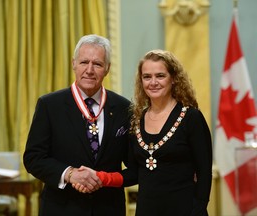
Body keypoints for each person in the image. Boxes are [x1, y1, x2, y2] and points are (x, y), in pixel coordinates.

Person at [75, 49, 213, 216]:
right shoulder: (136, 120)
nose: (153, 82)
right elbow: (134, 173)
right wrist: (99, 177)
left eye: (160, 76)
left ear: (174, 79)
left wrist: (198, 210)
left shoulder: (191, 118)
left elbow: (204, 172)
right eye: (147, 77)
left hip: (185, 210)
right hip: (146, 209)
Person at [23, 34, 132, 216]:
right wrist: (70, 174)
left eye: (97, 64)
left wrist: (103, 179)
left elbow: (134, 166)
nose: (89, 70)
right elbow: (33, 158)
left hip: (108, 208)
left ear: (107, 68)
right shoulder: (50, 105)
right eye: (84, 62)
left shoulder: (124, 108)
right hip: (61, 208)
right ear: (74, 64)